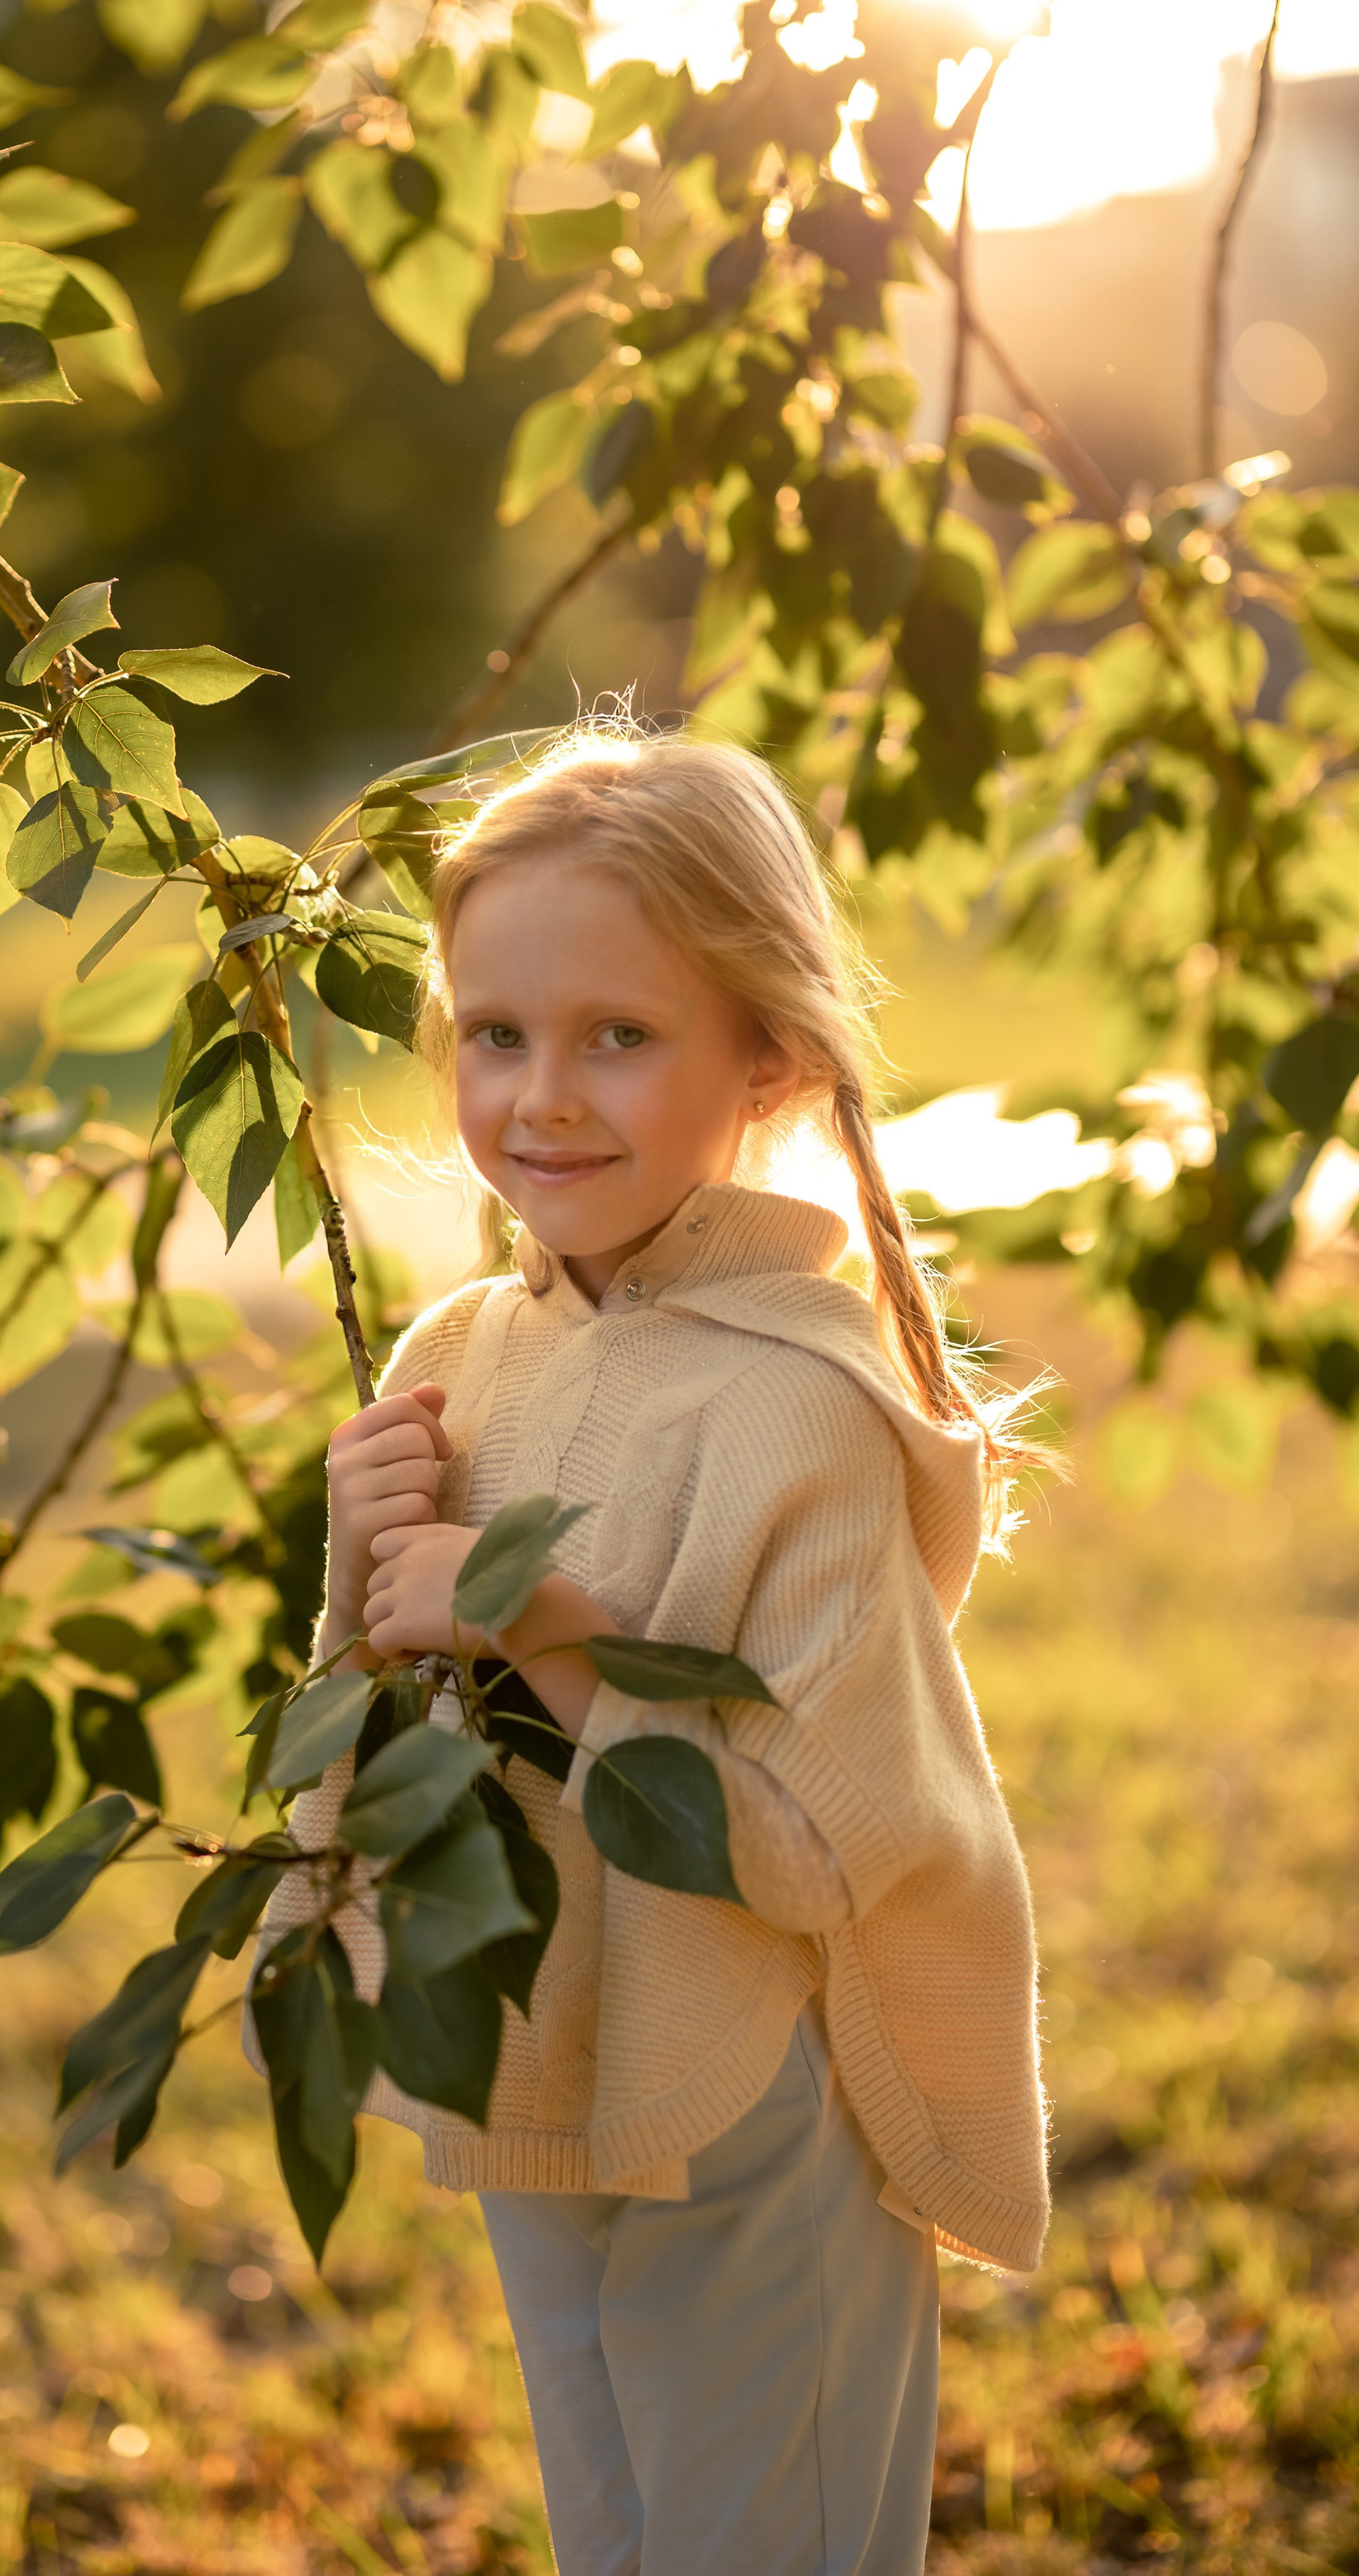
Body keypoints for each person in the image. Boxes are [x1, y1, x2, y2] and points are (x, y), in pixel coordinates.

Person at [260, 724, 1050, 2575]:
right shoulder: (459, 1356)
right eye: (496, 1034)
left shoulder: (802, 1406)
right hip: (546, 2049)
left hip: (751, 2085)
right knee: (611, 2541)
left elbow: (817, 1850)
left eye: (619, 1034)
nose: (543, 1099)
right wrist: (356, 1574)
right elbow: (368, 1754)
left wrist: (541, 1615)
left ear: (768, 1052)